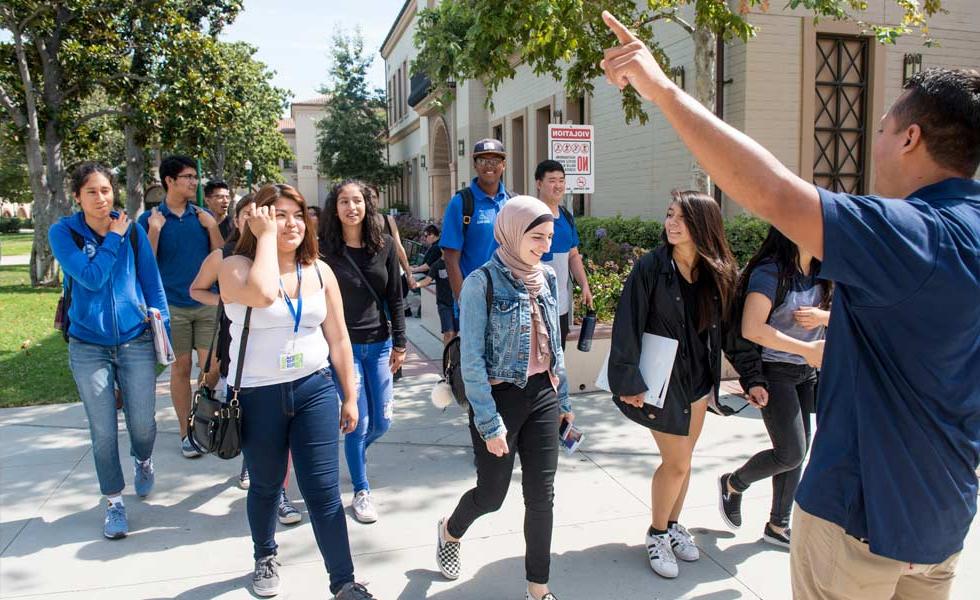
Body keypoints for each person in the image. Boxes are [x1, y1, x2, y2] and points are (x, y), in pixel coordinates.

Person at [601, 14, 979, 599]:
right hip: (943, 521)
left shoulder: (912, 234)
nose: (875, 142)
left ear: (910, 138)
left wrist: (663, 90)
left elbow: (773, 190)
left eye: (881, 128)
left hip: (859, 523)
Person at [218, 183, 377, 600]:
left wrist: (349, 394)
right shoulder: (233, 266)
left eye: (297, 214)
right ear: (257, 220)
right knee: (267, 485)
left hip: (314, 390)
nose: (291, 223)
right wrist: (266, 239)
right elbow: (264, 293)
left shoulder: (320, 271)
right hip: (256, 395)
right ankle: (265, 553)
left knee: (324, 492)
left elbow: (339, 338)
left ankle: (343, 581)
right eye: (278, 215)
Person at [435, 196, 573, 600]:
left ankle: (538, 588)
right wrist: (489, 422)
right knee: (492, 495)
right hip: (499, 397)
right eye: (537, 237)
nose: (544, 246)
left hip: (543, 394)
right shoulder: (482, 283)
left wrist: (563, 399)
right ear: (513, 231)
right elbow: (473, 361)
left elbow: (555, 346)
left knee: (541, 496)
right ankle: (450, 530)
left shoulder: (546, 277)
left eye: (549, 237)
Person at [608, 191, 738, 579]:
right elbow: (627, 322)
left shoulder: (716, 270)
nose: (672, 223)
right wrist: (628, 379)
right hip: (661, 381)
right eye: (669, 215)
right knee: (676, 462)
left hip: (699, 380)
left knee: (685, 461)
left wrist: (751, 376)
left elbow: (729, 329)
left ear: (703, 224)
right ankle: (657, 532)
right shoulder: (651, 267)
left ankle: (674, 523)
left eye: (681, 217)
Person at [49, 162, 169, 539]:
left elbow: (152, 283)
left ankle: (144, 460)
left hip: (136, 340)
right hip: (88, 346)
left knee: (143, 424)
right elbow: (90, 276)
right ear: (77, 197)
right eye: (91, 192)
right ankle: (114, 503)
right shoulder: (63, 232)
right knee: (102, 431)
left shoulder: (132, 231)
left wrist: (162, 328)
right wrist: (113, 238)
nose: (101, 199)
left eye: (105, 190)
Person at [717, 226, 833, 548]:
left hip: (807, 372)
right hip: (775, 370)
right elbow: (752, 328)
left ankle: (778, 526)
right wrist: (807, 349)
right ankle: (733, 483)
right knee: (791, 451)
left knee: (797, 453)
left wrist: (823, 317)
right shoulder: (771, 271)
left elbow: (858, 312)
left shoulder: (824, 271)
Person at [319, 179, 407, 524]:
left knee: (382, 422)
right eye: (344, 201)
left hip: (380, 344)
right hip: (343, 348)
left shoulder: (383, 245)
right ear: (335, 207)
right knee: (359, 422)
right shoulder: (324, 249)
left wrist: (400, 342)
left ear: (367, 205)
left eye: (357, 200)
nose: (351, 207)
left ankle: (355, 455)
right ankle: (361, 488)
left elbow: (395, 297)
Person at [138, 155, 223, 458]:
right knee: (181, 368)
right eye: (187, 177)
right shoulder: (149, 219)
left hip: (206, 302)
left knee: (213, 367)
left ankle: (204, 420)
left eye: (194, 177)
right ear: (169, 181)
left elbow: (220, 256)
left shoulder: (202, 217)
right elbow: (144, 263)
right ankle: (188, 433)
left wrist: (212, 226)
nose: (193, 182)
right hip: (171, 305)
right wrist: (155, 230)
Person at [440, 138, 510, 299]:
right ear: (475, 164)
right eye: (483, 160)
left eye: (495, 160)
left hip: (508, 299)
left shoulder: (513, 202)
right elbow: (450, 258)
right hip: (475, 297)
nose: (489, 165)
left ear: (503, 165)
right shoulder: (460, 203)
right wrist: (463, 300)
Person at [534, 160, 593, 348]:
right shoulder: (529, 215)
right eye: (552, 180)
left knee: (558, 357)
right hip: (534, 305)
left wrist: (584, 284)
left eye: (561, 180)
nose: (558, 185)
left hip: (561, 306)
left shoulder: (567, 217)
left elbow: (573, 255)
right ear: (539, 183)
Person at [414, 225, 457, 344]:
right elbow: (427, 280)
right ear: (442, 250)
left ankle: (453, 357)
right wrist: (415, 284)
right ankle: (447, 359)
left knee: (456, 333)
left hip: (457, 303)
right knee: (449, 332)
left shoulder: (457, 264)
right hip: (444, 304)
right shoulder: (437, 265)